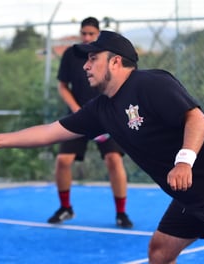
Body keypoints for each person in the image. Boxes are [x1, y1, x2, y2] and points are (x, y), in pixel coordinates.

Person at [0, 31, 204, 263]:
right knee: (159, 253)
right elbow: (50, 132)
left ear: (115, 62)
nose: (85, 65)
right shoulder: (101, 109)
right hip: (188, 193)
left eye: (93, 58)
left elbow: (196, 118)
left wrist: (184, 161)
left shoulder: (150, 83)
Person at [49, 17, 132, 228]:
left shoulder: (107, 56)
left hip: (107, 116)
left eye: (91, 34)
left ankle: (121, 213)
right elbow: (62, 86)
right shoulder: (71, 54)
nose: (86, 37)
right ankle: (65, 208)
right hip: (78, 116)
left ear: (98, 35)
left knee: (114, 160)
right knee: (63, 161)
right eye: (83, 33)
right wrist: (78, 112)